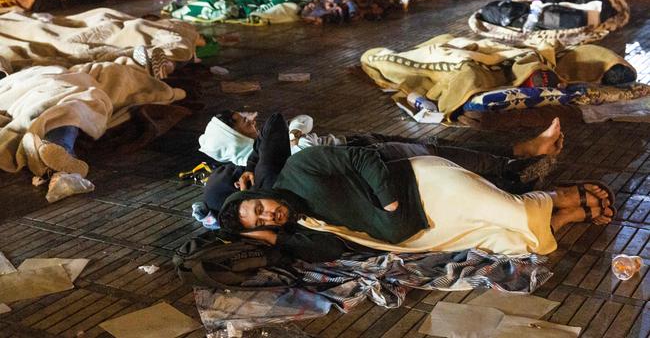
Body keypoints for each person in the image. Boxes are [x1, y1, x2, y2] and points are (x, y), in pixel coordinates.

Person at [217, 144, 615, 263]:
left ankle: (557, 196)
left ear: (259, 194)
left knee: (515, 212)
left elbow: (360, 156)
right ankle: (569, 216)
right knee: (509, 243)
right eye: (261, 221)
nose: (269, 213)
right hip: (423, 231)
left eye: (260, 207)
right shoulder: (302, 229)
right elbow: (329, 249)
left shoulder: (300, 167)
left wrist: (388, 199)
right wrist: (273, 238)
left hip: (426, 186)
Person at [201, 109, 566, 214]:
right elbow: (279, 126)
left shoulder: (253, 161)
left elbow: (276, 124)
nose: (249, 117)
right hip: (366, 161)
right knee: (441, 159)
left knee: (439, 147)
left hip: (361, 145)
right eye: (239, 120)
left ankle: (523, 153)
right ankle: (518, 171)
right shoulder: (262, 173)